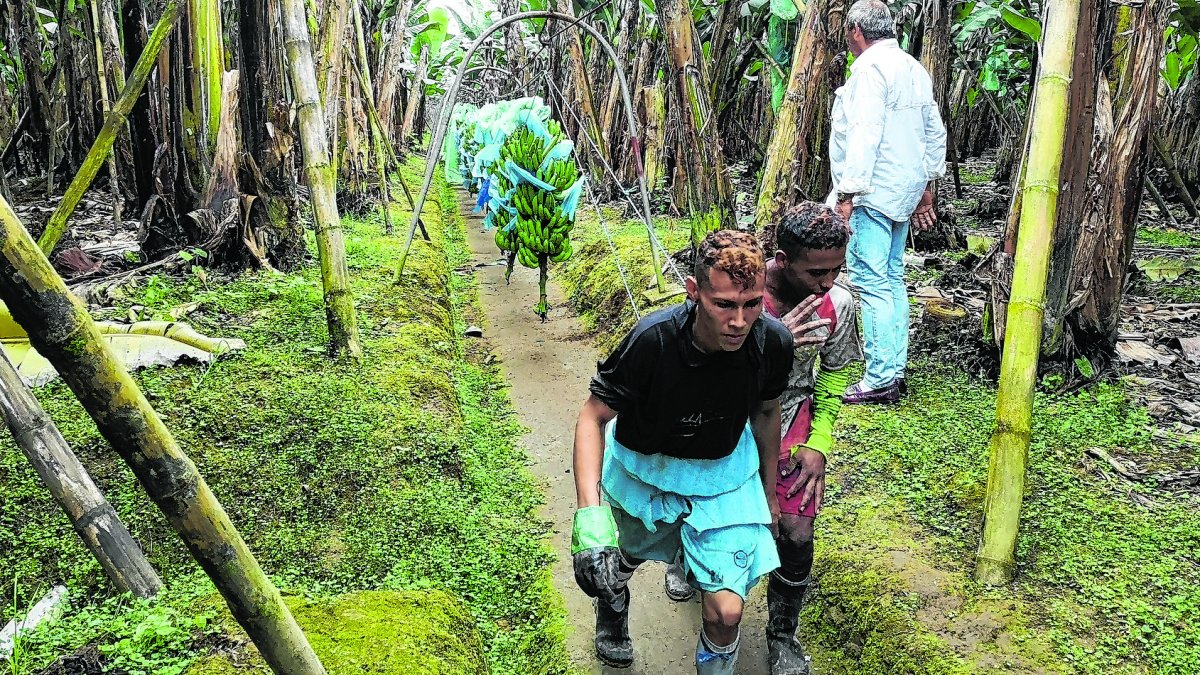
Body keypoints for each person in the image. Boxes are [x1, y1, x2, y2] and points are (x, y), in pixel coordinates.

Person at [570, 230, 794, 673]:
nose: (740, 321)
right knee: (618, 561)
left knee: (728, 611)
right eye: (724, 305)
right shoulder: (652, 341)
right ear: (694, 292)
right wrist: (590, 515)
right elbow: (592, 418)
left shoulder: (772, 343)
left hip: (722, 476)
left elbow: (767, 413)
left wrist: (769, 493)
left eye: (752, 304)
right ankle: (613, 607)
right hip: (645, 471)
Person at [665, 204, 861, 674]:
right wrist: (768, 339)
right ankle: (685, 557)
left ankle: (783, 634)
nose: (827, 282)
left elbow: (835, 375)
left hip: (788, 415)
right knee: (698, 503)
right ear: (781, 259)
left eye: (837, 269)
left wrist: (820, 441)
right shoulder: (740, 292)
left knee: (795, 532)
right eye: (816, 271)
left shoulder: (840, 305)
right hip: (720, 413)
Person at [829, 0, 947, 404]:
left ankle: (880, 377)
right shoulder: (913, 68)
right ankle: (892, 370)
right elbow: (934, 128)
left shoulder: (869, 70)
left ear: (856, 31)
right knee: (892, 278)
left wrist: (847, 194)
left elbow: (864, 134)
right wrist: (927, 185)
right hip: (903, 187)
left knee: (870, 281)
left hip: (874, 190)